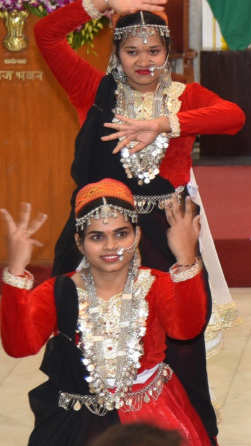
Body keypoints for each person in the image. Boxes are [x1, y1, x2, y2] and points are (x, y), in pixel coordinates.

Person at [33, 0, 246, 442]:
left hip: (166, 238)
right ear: (117, 53)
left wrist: (164, 124)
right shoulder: (95, 90)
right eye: (131, 51)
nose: (143, 60)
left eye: (153, 50)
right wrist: (104, 1)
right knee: (87, 337)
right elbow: (46, 35)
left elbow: (233, 117)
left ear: (168, 52)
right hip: (101, 235)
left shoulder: (184, 95)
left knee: (178, 346)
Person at [1, 181, 211, 445]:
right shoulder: (60, 290)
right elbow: (20, 346)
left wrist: (186, 259)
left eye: (121, 234)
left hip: (151, 413)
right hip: (79, 423)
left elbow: (187, 329)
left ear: (137, 235)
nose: (111, 245)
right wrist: (16, 271)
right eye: (97, 237)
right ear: (79, 242)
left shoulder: (156, 285)